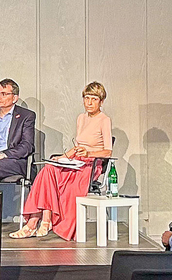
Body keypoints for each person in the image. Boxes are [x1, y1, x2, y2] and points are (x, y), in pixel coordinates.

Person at [11, 82, 112, 240]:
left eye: (94, 99)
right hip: (76, 160)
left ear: (101, 101)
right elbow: (78, 145)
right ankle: (36, 221)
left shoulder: (104, 120)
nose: (90, 102)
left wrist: (89, 152)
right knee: (48, 169)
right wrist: (63, 158)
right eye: (87, 98)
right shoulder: (81, 118)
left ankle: (43, 220)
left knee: (62, 183)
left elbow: (108, 151)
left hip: (90, 165)